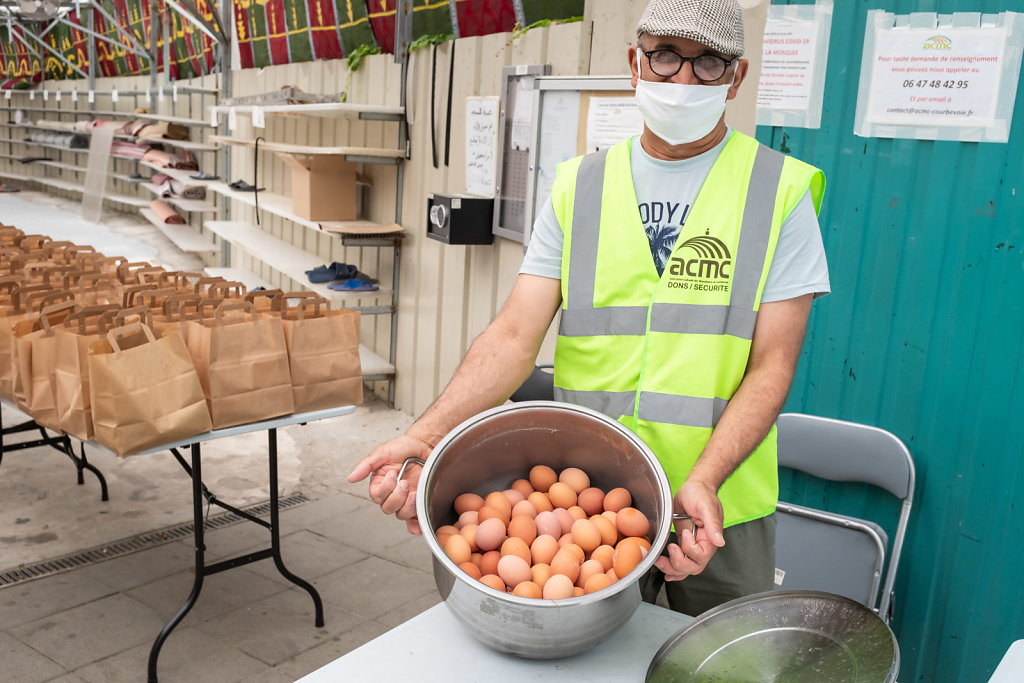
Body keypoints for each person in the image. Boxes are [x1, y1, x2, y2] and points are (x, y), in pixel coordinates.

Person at [348, 0, 829, 617]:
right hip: (587, 501)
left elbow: (772, 364)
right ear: (634, 63)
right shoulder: (579, 185)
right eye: (664, 56)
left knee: (719, 662)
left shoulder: (780, 192)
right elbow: (515, 335)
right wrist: (423, 434)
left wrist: (705, 479)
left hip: (717, 504)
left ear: (735, 78)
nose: (682, 80)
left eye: (707, 63)